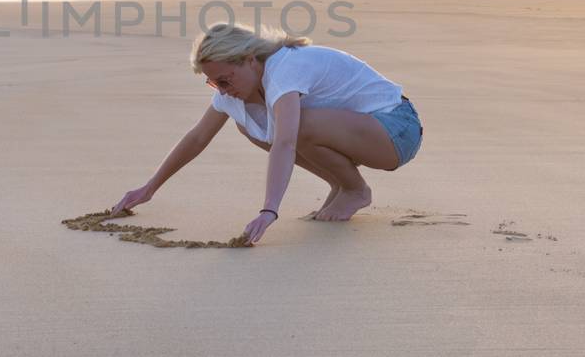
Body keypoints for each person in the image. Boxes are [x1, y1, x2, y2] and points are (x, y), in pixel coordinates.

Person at [109, 22, 423, 244]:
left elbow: (286, 141)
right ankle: (341, 184)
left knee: (295, 126)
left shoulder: (284, 69)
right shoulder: (237, 87)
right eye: (214, 83)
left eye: (225, 80)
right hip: (363, 132)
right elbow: (197, 137)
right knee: (251, 126)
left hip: (397, 130)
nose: (222, 90)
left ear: (249, 60)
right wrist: (149, 188)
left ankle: (355, 190)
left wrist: (269, 211)